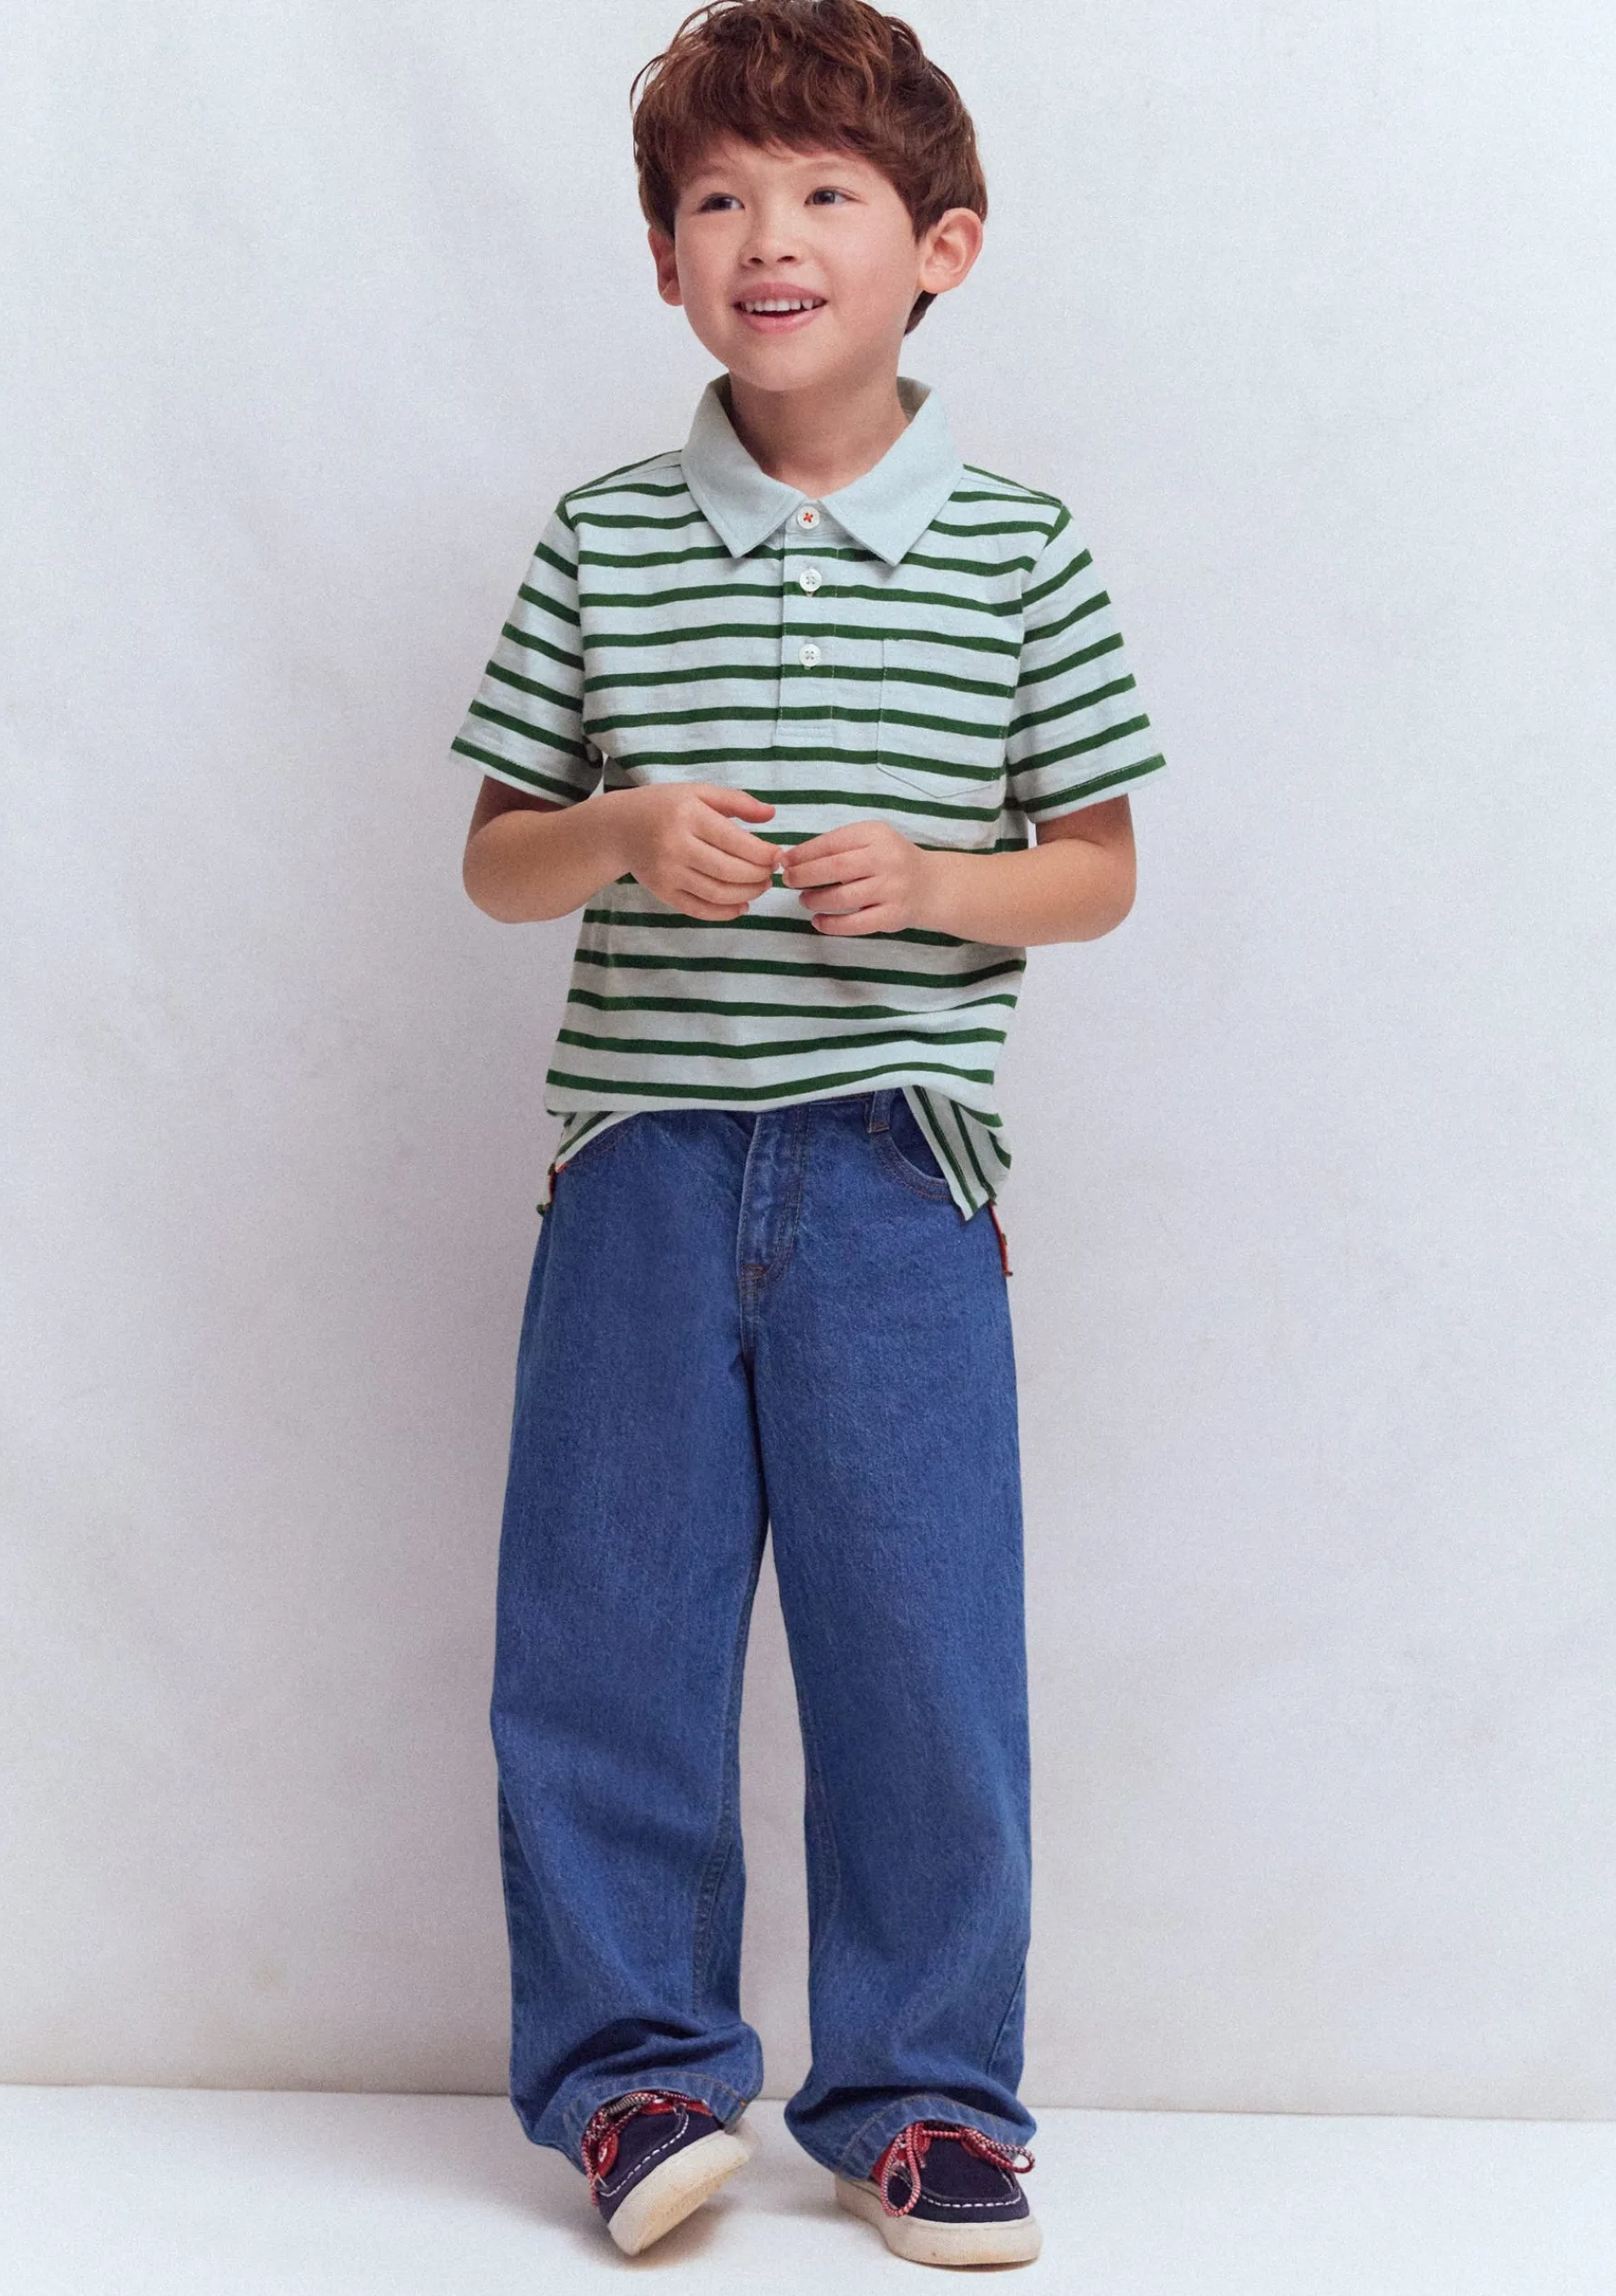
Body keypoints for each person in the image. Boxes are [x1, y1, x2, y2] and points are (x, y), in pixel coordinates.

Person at [452, 0, 1165, 2267]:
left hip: (896, 1175)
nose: (769, 236)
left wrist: (943, 882)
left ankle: (927, 2098)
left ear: (939, 244)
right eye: (718, 199)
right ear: (666, 259)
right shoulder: (601, 540)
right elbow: (496, 858)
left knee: (919, 1658)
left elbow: (1098, 868)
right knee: (605, 1640)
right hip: (642, 1164)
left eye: (825, 192)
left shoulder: (1020, 547)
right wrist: (618, 830)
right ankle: (633, 2078)